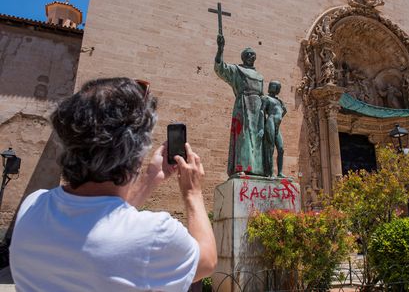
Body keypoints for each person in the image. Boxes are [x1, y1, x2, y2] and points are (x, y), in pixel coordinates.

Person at [9, 78, 217, 292]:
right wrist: (192, 192)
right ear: (135, 154)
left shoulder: (32, 207)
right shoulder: (154, 235)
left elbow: (105, 218)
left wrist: (150, 179)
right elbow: (207, 261)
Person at [214, 34, 264, 177]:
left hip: (257, 109)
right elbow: (220, 68)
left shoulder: (260, 76)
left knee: (257, 137)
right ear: (243, 57)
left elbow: (262, 95)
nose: (251, 57)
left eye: (253, 55)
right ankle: (241, 167)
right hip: (243, 105)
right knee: (243, 136)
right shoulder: (237, 70)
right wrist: (220, 49)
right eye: (248, 55)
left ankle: (257, 169)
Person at [260, 81, 287, 177]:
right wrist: (262, 128)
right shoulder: (266, 98)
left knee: (281, 149)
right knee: (270, 148)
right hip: (270, 122)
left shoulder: (279, 101)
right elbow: (262, 112)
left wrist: (279, 116)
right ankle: (270, 172)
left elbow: (284, 111)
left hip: (277, 125)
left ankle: (280, 172)